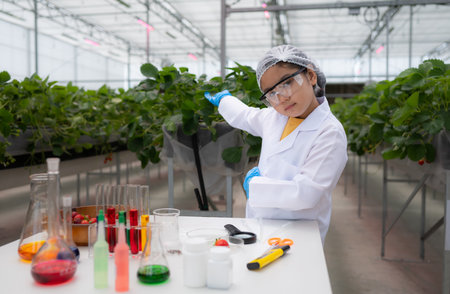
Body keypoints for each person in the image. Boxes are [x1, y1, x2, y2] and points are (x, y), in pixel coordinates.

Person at [204, 45, 347, 243]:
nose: (282, 98)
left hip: (299, 236)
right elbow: (246, 116)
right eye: (271, 93)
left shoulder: (329, 133)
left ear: (311, 76)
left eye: (287, 83)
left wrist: (255, 185)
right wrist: (224, 100)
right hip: (259, 225)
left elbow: (307, 194)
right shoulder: (275, 117)